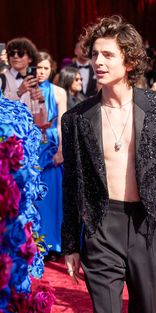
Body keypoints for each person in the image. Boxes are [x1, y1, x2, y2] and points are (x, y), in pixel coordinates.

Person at [61, 15, 156, 313]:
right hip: (102, 225)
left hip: (147, 225)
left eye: (107, 55)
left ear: (128, 61)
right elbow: (72, 184)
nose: (97, 62)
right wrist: (70, 244)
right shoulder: (77, 117)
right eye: (94, 55)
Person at [35, 51, 67, 261]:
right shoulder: (26, 91)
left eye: (46, 68)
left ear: (51, 69)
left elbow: (62, 121)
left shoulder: (59, 92)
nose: (42, 72)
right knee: (36, 197)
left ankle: (54, 244)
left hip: (53, 144)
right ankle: (35, 243)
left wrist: (62, 150)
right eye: (39, 68)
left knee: (54, 197)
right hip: (33, 144)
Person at [0, 37, 43, 111]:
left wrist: (41, 100)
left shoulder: (32, 81)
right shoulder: (1, 79)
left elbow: (41, 118)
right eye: (12, 53)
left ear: (30, 58)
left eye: (20, 53)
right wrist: (19, 92)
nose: (15, 56)